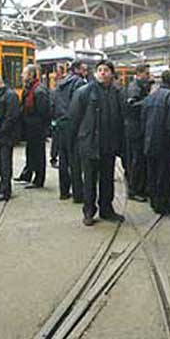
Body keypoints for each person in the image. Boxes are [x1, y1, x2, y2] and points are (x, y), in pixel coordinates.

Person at [69, 60, 125, 226]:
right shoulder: (84, 92)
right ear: (95, 74)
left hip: (108, 145)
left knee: (107, 180)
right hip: (90, 144)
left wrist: (120, 144)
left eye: (106, 70)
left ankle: (106, 210)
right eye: (99, 70)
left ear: (112, 74)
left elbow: (121, 119)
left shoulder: (117, 93)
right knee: (90, 181)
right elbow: (74, 118)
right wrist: (77, 142)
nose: (102, 73)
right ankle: (88, 211)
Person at [141, 70, 170, 214]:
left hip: (149, 141)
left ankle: (154, 202)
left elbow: (143, 120)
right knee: (164, 175)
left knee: (152, 173)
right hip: (165, 144)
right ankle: (163, 205)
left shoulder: (150, 97)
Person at [53, 60, 87, 201]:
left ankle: (64, 192)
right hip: (73, 124)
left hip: (60, 124)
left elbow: (54, 102)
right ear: (77, 69)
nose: (86, 72)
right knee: (75, 160)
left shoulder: (61, 83)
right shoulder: (79, 83)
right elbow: (78, 105)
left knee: (63, 159)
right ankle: (78, 194)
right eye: (84, 69)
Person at [16, 64, 52, 189]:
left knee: (38, 154)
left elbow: (44, 111)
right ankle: (27, 174)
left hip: (37, 128)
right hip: (30, 127)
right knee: (30, 152)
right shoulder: (29, 88)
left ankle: (39, 180)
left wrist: (43, 128)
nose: (22, 75)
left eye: (24, 73)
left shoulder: (39, 90)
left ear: (30, 75)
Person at [0, 74, 21, 202]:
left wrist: (2, 130)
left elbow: (12, 116)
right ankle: (3, 186)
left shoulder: (10, 95)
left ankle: (6, 190)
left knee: (5, 163)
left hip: (6, 136)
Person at [123, 63, 152, 202]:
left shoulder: (142, 86)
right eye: (146, 74)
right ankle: (134, 190)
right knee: (136, 160)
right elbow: (132, 105)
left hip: (139, 127)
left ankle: (140, 187)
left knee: (140, 160)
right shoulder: (134, 87)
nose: (148, 76)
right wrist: (149, 100)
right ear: (139, 74)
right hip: (134, 129)